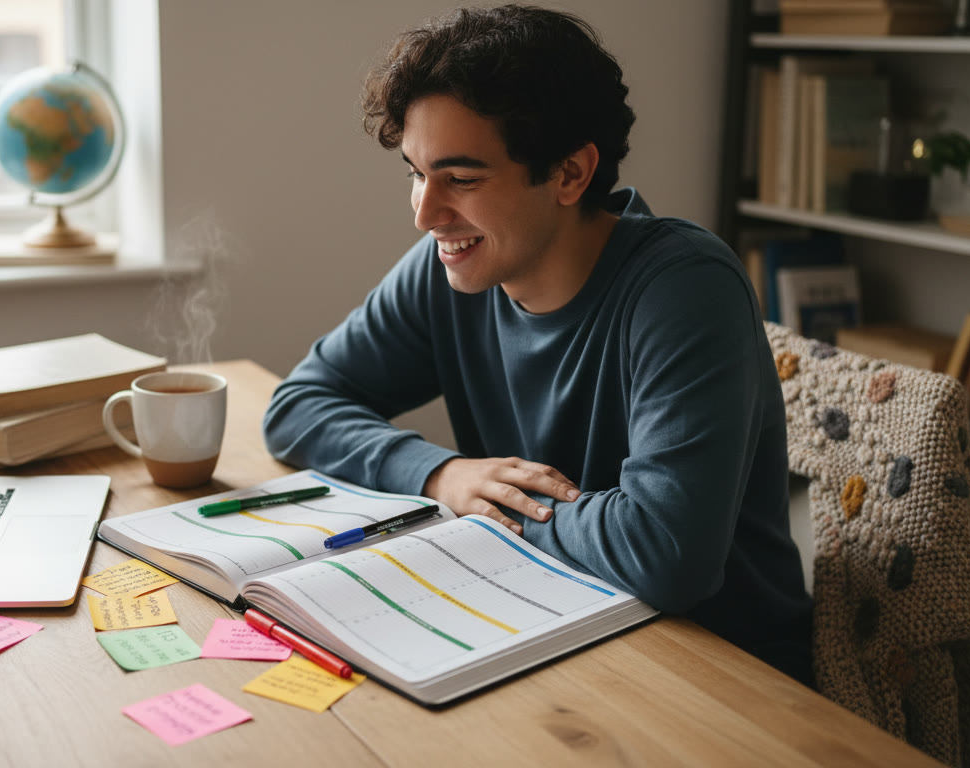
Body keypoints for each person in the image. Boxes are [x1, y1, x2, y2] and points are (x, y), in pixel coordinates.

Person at [262, 4, 812, 684]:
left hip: (723, 676)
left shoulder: (685, 289)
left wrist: (489, 510)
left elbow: (667, 554)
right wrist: (442, 476)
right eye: (415, 172)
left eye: (461, 179)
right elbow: (298, 405)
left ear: (571, 174)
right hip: (551, 627)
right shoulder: (453, 267)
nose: (425, 213)